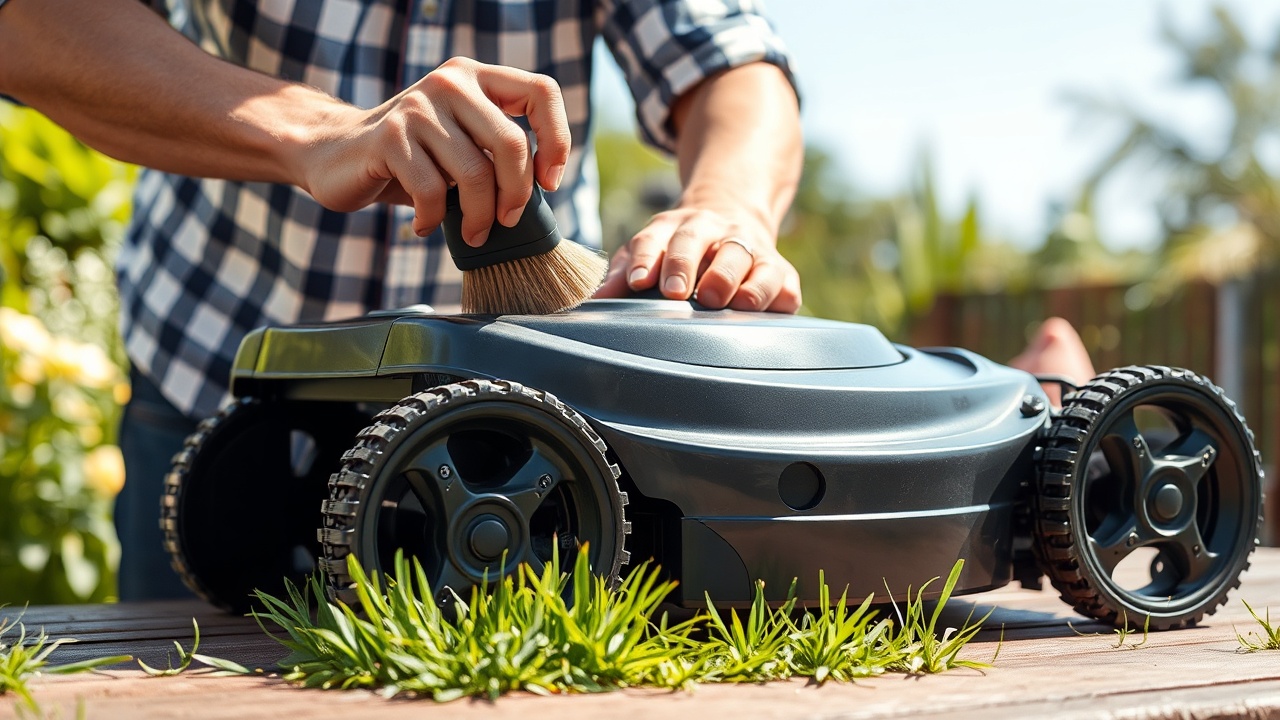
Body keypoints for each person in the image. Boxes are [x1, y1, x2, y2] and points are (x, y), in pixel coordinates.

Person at [0, 0, 805, 598]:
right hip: (221, 397)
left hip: (522, 441)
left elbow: (731, 63)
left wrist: (729, 201)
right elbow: (32, 29)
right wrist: (316, 132)